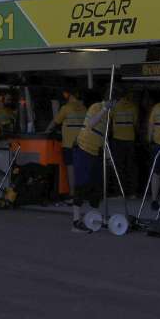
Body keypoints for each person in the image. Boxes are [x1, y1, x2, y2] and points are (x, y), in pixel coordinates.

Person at [70, 91, 112, 233]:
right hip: (83, 148)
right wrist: (105, 108)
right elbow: (91, 123)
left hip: (95, 151)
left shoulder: (108, 115)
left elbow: (103, 136)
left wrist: (107, 156)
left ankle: (94, 216)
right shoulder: (97, 107)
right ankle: (76, 222)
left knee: (96, 184)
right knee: (81, 184)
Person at [45, 88, 88, 198]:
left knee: (70, 168)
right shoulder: (84, 109)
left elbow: (55, 122)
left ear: (71, 96)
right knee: (82, 168)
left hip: (69, 144)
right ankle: (83, 192)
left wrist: (45, 132)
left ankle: (72, 193)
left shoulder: (66, 108)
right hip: (82, 144)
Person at [110, 88, 140, 197]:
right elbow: (136, 124)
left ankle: (119, 193)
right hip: (130, 140)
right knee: (131, 167)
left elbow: (109, 122)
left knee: (119, 167)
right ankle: (133, 192)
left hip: (117, 140)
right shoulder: (133, 107)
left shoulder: (114, 107)